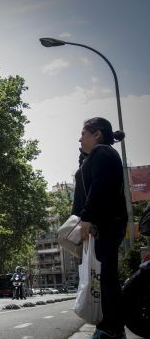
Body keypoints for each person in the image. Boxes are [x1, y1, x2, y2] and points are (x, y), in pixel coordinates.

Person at [73, 117, 127, 339]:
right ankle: (110, 328)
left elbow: (99, 187)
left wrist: (86, 218)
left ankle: (110, 329)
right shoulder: (98, 155)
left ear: (97, 134)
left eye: (83, 133)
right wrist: (83, 159)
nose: (80, 138)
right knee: (102, 277)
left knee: (105, 278)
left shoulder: (103, 152)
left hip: (104, 223)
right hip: (103, 224)